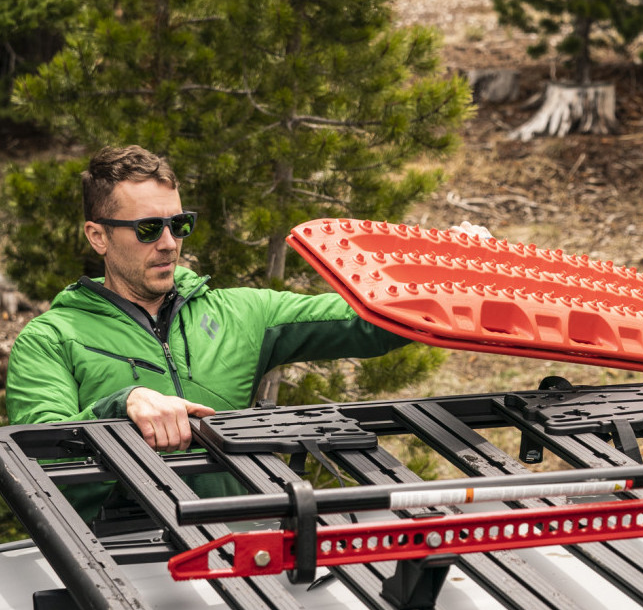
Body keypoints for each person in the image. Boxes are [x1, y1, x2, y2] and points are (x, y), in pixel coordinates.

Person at [5, 145, 409, 451]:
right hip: (115, 554)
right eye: (148, 229)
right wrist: (122, 404)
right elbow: (40, 453)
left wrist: (454, 279)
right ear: (98, 236)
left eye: (179, 224)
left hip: (242, 543)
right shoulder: (51, 340)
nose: (169, 244)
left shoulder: (241, 313)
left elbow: (369, 321)